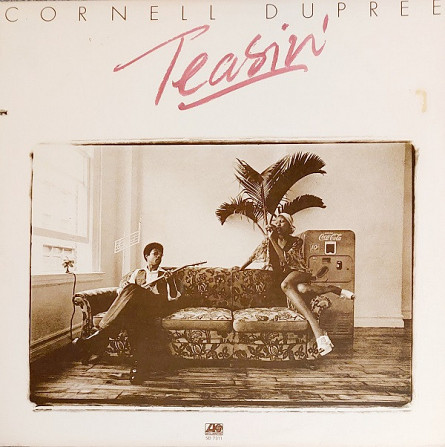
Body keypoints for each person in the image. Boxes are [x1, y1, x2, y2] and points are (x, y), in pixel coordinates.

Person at [238, 213, 354, 356]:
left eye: (282, 222)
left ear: (289, 226)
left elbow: (285, 260)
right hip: (285, 278)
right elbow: (253, 255)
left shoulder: (296, 241)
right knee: (303, 289)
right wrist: (240, 269)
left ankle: (318, 333)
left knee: (286, 285)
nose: (278, 224)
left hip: (298, 272)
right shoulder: (268, 241)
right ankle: (334, 289)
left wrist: (272, 239)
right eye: (276, 221)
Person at [72, 242, 181, 384]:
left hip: (156, 305)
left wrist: (170, 281)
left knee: (134, 290)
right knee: (133, 315)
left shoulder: (165, 274)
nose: (159, 256)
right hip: (139, 309)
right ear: (146, 256)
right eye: (155, 253)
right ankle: (139, 366)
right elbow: (122, 294)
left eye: (161, 254)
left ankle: (99, 336)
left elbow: (173, 297)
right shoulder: (137, 273)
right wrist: (124, 288)